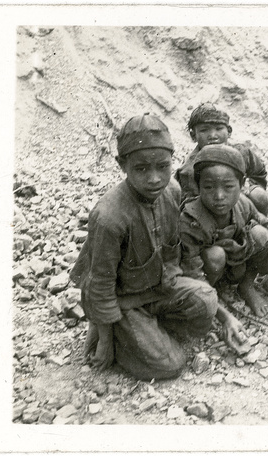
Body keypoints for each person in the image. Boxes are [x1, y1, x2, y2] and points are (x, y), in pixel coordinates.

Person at [70, 113, 247, 381]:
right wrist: (104, 340)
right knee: (170, 365)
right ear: (122, 164)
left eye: (162, 167)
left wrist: (225, 317)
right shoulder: (109, 216)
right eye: (141, 169)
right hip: (123, 299)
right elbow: (100, 284)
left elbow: (182, 262)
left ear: (171, 162)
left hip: (157, 289)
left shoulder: (172, 192)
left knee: (206, 300)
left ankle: (142, 331)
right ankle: (117, 331)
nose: (154, 179)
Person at [180, 144, 268, 318]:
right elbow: (192, 271)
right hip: (208, 271)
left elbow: (265, 224)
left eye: (228, 187)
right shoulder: (190, 220)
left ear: (242, 185)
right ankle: (212, 295)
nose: (219, 196)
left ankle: (247, 285)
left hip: (236, 263)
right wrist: (217, 310)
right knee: (215, 256)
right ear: (198, 187)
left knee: (260, 234)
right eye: (209, 187)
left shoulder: (242, 203)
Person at [175, 103, 268, 216]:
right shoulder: (190, 169)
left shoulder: (242, 152)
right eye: (204, 130)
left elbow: (259, 173)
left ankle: (258, 225)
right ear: (193, 135)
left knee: (259, 196)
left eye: (219, 128)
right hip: (209, 212)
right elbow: (190, 205)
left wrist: (246, 187)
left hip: (240, 205)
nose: (212, 135)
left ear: (229, 131)